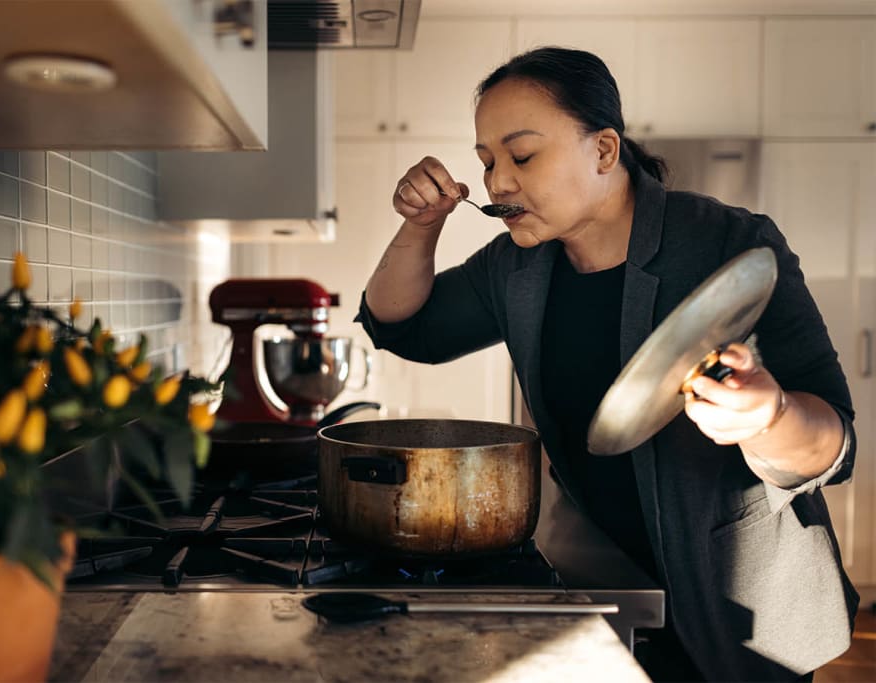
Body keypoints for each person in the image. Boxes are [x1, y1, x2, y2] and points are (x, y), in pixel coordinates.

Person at [354, 46, 858, 682]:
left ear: (604, 150)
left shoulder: (727, 242)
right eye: (486, 163)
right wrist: (422, 226)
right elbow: (404, 326)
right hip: (600, 583)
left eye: (523, 155)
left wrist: (769, 416)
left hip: (740, 607)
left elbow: (837, 442)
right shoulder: (517, 265)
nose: (497, 182)